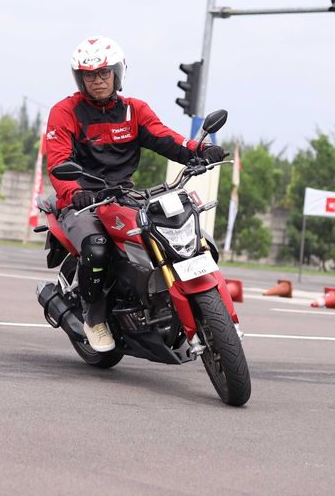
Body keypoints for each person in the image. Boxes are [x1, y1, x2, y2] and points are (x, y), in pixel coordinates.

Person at [45, 35, 226, 352]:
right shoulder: (65, 112)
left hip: (123, 195)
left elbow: (167, 139)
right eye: (90, 75)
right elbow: (59, 160)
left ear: (117, 73)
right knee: (96, 247)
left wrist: (201, 151)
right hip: (81, 201)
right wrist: (75, 192)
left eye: (103, 73)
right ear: (80, 78)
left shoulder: (134, 111)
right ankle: (94, 317)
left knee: (174, 230)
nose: (98, 81)